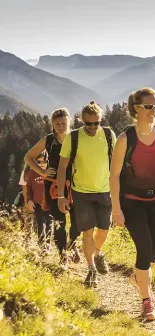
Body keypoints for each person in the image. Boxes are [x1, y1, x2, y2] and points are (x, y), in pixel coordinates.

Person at [110, 87, 155, 321]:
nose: (154, 111)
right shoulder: (125, 139)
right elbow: (114, 176)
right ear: (136, 109)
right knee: (144, 248)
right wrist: (116, 209)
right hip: (132, 201)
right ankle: (146, 301)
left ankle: (138, 278)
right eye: (149, 106)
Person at [58, 101, 115, 287]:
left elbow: (116, 165)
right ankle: (91, 269)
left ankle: (97, 253)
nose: (92, 127)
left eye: (96, 123)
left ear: (101, 120)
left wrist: (119, 190)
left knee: (104, 230)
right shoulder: (73, 138)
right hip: (81, 192)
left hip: (105, 190)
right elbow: (62, 168)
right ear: (81, 121)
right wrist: (61, 196)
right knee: (88, 232)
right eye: (88, 123)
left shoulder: (107, 134)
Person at [25, 108, 80, 266]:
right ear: (52, 124)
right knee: (59, 222)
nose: (60, 126)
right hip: (53, 186)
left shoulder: (76, 137)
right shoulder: (48, 140)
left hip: (76, 184)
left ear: (70, 122)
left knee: (78, 222)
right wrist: (42, 171)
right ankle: (63, 256)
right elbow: (28, 157)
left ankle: (72, 244)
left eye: (63, 123)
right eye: (57, 124)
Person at [25, 151, 52, 249]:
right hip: (38, 204)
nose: (41, 164)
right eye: (38, 162)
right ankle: (42, 248)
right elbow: (29, 187)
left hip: (50, 204)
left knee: (50, 225)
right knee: (41, 225)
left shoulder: (52, 171)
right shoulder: (32, 172)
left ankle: (48, 246)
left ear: (48, 161)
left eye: (44, 161)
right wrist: (29, 200)